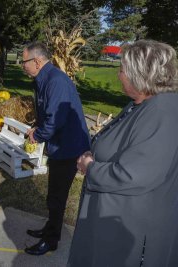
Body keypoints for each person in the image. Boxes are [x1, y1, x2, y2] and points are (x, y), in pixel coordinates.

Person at [68, 40, 178, 266]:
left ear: (141, 74)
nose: (119, 75)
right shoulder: (140, 104)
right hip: (111, 222)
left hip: (130, 232)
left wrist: (91, 167)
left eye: (122, 70)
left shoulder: (161, 112)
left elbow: (134, 175)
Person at [21, 42, 90, 256]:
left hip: (68, 147)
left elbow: (55, 120)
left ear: (37, 61)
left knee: (57, 197)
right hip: (59, 145)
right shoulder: (44, 78)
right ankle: (50, 229)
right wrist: (39, 128)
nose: (22, 65)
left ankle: (51, 240)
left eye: (24, 61)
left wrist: (37, 134)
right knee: (54, 194)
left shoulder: (56, 81)